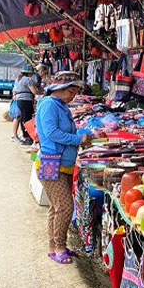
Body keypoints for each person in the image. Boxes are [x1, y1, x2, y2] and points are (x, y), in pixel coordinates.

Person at [35, 79, 90, 265]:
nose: (73, 96)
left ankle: (54, 248)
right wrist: (77, 139)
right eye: (71, 92)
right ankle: (59, 247)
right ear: (60, 88)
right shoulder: (49, 104)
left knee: (56, 208)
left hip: (62, 163)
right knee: (65, 207)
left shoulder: (60, 105)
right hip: (51, 162)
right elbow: (51, 133)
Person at [12, 66, 42, 144]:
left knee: (23, 119)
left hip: (19, 100)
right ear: (30, 73)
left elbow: (14, 90)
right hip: (26, 100)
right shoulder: (28, 80)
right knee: (27, 119)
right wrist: (43, 92)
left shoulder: (19, 79)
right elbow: (34, 91)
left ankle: (26, 136)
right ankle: (29, 137)